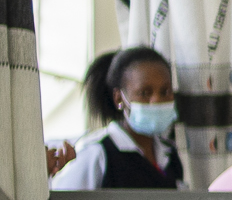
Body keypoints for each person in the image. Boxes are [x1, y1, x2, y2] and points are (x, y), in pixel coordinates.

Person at [50, 47, 184, 190]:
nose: (157, 101)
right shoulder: (97, 153)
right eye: (145, 93)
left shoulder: (169, 154)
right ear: (119, 98)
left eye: (165, 92)